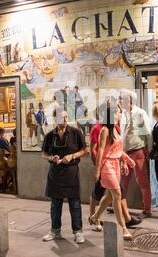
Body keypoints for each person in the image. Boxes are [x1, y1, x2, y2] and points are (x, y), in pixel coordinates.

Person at [88, 103, 142, 232]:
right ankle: (123, 227)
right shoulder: (103, 130)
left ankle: (95, 216)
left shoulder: (116, 129)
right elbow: (99, 150)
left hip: (115, 165)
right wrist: (97, 170)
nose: (120, 114)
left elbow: (116, 149)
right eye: (118, 112)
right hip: (106, 166)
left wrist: (126, 160)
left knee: (111, 196)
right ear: (111, 114)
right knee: (116, 194)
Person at [41, 109, 89, 244]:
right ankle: (55, 231)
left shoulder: (76, 132)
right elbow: (43, 154)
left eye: (67, 117)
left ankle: (78, 232)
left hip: (71, 172)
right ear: (55, 119)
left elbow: (85, 150)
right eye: (62, 118)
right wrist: (51, 157)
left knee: (74, 204)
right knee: (55, 204)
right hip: (55, 173)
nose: (66, 119)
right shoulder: (50, 135)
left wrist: (72, 156)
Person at [119, 89, 153, 218]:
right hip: (126, 153)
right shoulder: (123, 114)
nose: (120, 101)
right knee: (123, 181)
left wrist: (148, 151)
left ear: (129, 100)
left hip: (138, 151)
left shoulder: (139, 113)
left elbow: (148, 133)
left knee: (142, 181)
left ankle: (147, 209)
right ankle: (120, 205)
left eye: (122, 99)